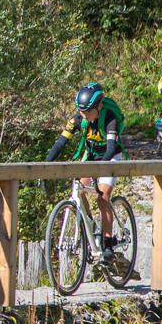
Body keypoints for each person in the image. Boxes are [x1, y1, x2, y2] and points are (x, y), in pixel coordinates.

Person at [44, 83, 126, 264]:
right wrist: (45, 167)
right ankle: (89, 224)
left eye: (87, 111)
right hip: (91, 156)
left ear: (99, 106)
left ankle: (107, 245)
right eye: (81, 111)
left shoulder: (109, 118)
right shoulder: (78, 119)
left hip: (110, 156)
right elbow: (60, 144)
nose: (83, 115)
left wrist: (99, 172)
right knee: (80, 192)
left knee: (103, 197)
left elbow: (111, 148)